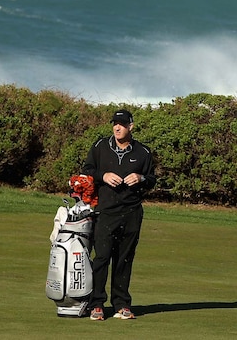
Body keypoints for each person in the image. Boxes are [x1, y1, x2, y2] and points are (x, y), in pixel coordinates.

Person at [82, 109, 156, 321]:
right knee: (102, 257)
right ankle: (96, 304)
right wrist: (103, 175)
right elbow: (87, 171)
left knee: (124, 259)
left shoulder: (143, 152)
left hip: (131, 212)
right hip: (105, 211)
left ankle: (121, 304)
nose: (117, 127)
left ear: (130, 127)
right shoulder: (100, 146)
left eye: (122, 124)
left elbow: (152, 179)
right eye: (115, 123)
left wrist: (140, 178)